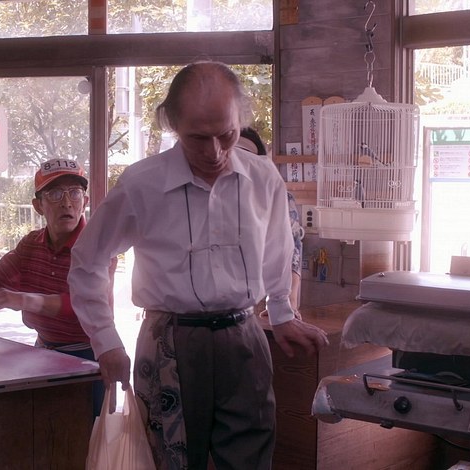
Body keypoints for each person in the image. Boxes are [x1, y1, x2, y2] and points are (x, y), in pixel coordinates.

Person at [68, 61, 329, 470]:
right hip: (169, 340)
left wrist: (281, 313)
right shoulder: (142, 184)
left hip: (243, 335)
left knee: (250, 457)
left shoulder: (263, 177)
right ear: (173, 124)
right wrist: (106, 341)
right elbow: (88, 261)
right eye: (198, 138)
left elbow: (279, 246)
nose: (214, 152)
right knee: (170, 460)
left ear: (240, 119)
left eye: (226, 134)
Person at [0, 158, 115, 417]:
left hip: (89, 359)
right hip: (43, 353)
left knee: (87, 435)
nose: (66, 203)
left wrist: (25, 300)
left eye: (74, 193)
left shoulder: (97, 246)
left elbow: (85, 303)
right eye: (55, 193)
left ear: (85, 202)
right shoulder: (30, 244)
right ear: (38, 206)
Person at [236, 127, 305, 319]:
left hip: (259, 298)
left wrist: (289, 302)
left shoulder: (277, 195)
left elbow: (291, 248)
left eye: (246, 158)